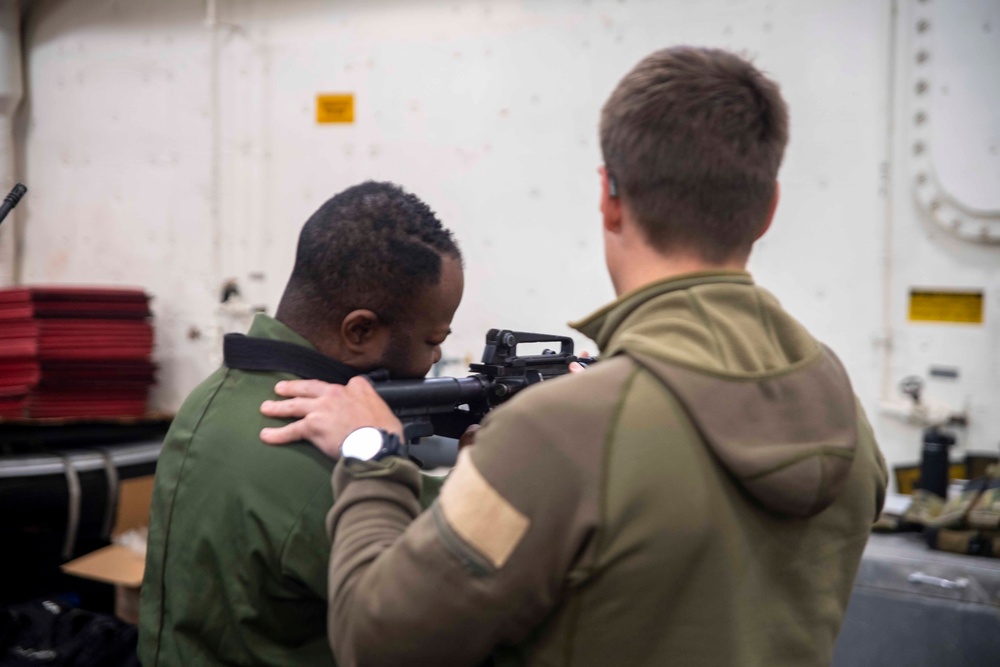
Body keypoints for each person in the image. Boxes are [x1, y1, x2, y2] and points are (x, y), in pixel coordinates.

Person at [260, 47, 887, 667]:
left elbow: (377, 641)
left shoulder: (559, 434)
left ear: (609, 197)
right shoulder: (847, 421)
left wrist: (376, 456)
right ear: (768, 208)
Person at [138, 181, 463, 666]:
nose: (437, 357)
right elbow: (459, 595)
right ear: (360, 331)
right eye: (433, 339)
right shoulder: (326, 456)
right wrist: (496, 461)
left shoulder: (217, 394)